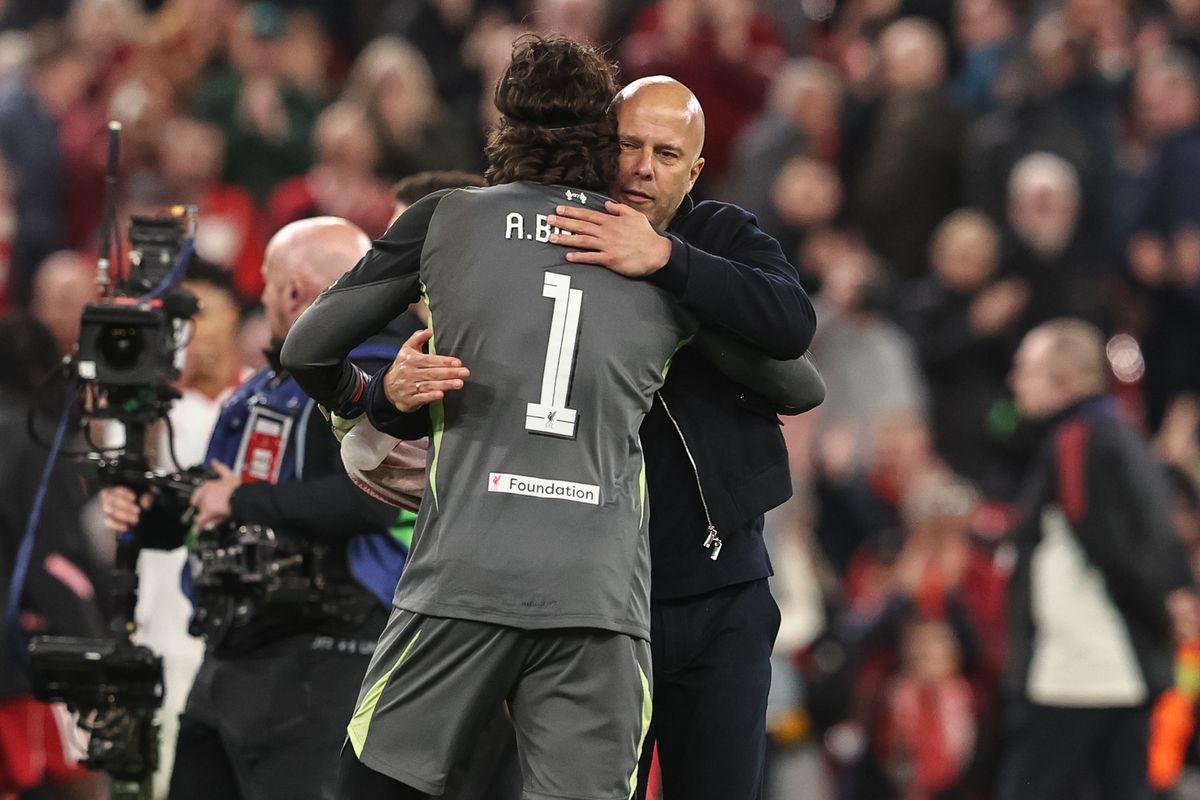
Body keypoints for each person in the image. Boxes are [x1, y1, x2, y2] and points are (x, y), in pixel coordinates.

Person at [281, 35, 706, 800]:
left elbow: (306, 349)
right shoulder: (661, 262)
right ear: (606, 137)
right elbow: (795, 375)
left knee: (374, 785)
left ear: (500, 122)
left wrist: (372, 399)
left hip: (466, 573)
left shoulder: (448, 218)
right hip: (598, 593)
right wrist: (684, 270)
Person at [384, 75, 819, 799]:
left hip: (721, 588)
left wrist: (666, 261)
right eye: (630, 145)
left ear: (695, 170)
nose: (645, 166)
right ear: (598, 146)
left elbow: (792, 326)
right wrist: (394, 396)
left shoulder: (717, 234)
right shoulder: (548, 235)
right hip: (599, 601)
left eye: (668, 153)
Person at [99, 218, 412, 800]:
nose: (261, 298)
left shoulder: (378, 375)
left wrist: (241, 496)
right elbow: (211, 507)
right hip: (228, 652)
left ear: (293, 291)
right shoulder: (260, 388)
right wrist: (151, 513)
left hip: (318, 656)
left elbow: (368, 500)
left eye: (268, 285)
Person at [998, 318, 1196, 800]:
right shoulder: (1118, 434)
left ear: (1065, 380)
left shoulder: (1077, 441)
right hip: (1118, 666)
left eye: (1027, 369)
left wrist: (1156, 620)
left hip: (1080, 668)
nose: (1014, 381)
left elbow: (1115, 551)